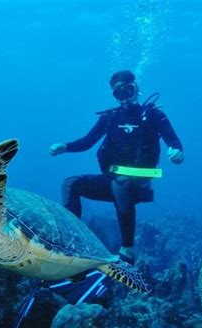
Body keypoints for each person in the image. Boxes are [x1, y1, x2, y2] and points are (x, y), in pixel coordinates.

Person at [49, 70, 184, 265]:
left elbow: (174, 141)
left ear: (136, 88)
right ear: (114, 94)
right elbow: (87, 142)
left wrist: (176, 153)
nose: (125, 97)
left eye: (128, 90)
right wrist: (65, 147)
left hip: (138, 183)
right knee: (71, 183)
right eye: (119, 93)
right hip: (112, 179)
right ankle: (71, 240)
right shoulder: (110, 117)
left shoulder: (153, 115)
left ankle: (127, 250)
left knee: (121, 183)